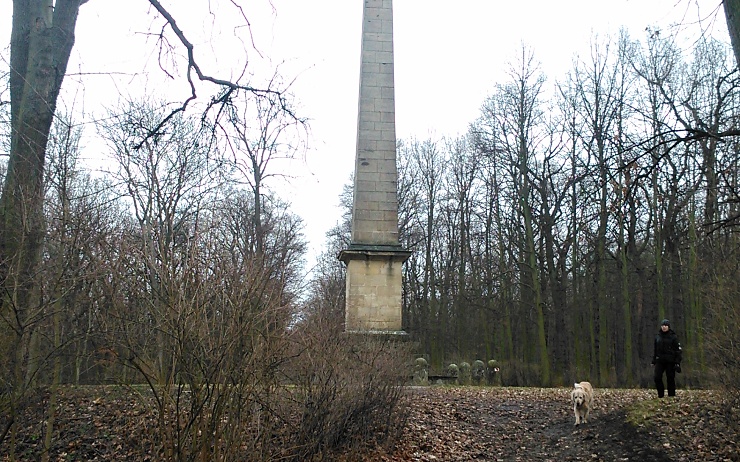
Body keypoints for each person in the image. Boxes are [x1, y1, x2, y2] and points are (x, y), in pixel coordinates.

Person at [651, 319, 683, 398]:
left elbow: (678, 351)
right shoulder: (658, 337)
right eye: (662, 325)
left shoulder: (673, 337)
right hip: (660, 360)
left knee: (670, 378)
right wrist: (654, 360)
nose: (664, 327)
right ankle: (660, 395)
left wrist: (677, 362)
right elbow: (655, 349)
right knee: (657, 377)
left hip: (670, 360)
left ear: (668, 327)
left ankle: (671, 395)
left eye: (665, 325)